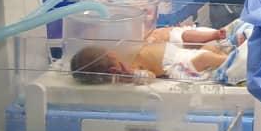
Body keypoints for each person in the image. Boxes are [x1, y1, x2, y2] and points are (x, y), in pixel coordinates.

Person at [69, 41, 228, 83]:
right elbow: (149, 76)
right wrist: (134, 75)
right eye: (108, 54)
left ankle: (228, 54)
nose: (111, 51)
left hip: (183, 53)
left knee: (210, 47)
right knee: (206, 58)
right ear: (112, 70)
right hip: (180, 65)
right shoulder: (128, 70)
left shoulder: (125, 54)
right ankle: (233, 60)